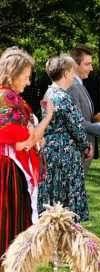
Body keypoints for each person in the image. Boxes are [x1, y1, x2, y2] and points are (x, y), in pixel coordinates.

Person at [0, 47, 54, 257]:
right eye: (26, 76)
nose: (28, 82)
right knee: (10, 223)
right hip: (8, 169)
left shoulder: (15, 100)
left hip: (12, 167)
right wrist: (48, 117)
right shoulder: (7, 100)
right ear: (13, 73)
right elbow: (26, 140)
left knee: (14, 222)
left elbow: (32, 138)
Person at [38, 56, 90, 221]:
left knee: (53, 196)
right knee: (66, 200)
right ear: (67, 73)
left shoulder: (48, 93)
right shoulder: (63, 97)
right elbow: (77, 127)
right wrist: (86, 147)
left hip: (49, 152)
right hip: (64, 155)